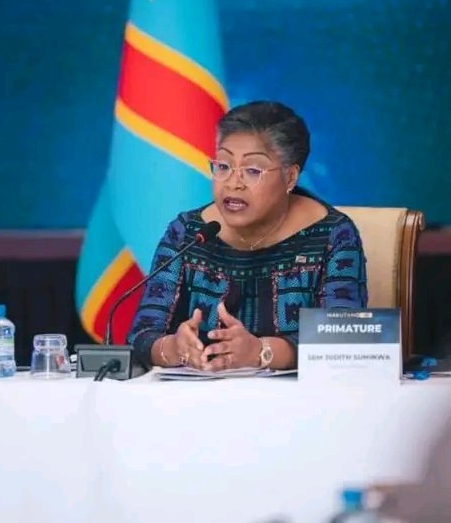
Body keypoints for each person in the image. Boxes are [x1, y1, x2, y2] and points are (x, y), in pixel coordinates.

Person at [127, 101, 368, 371]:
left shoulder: (333, 236)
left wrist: (262, 352)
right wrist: (172, 348)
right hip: (200, 394)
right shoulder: (188, 234)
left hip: (297, 396)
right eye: (223, 166)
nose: (233, 183)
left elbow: (344, 338)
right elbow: (141, 334)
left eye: (253, 171)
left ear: (290, 177)